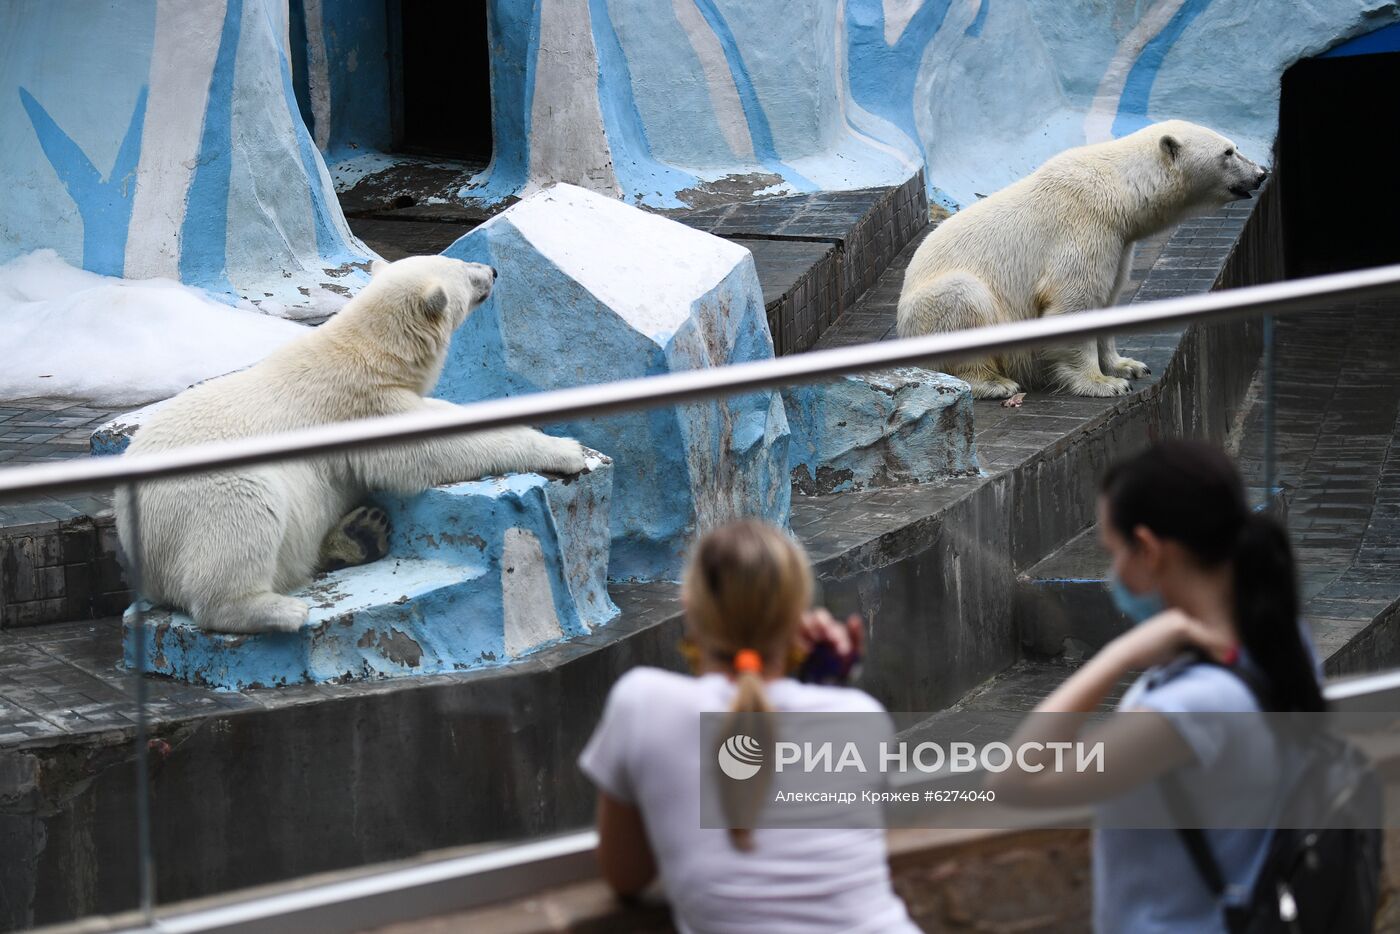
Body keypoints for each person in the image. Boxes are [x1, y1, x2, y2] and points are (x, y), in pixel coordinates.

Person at [992, 440, 1326, 933]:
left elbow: (1014, 780)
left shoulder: (1192, 706)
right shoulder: (1280, 638)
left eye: (1114, 553)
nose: (1112, 576)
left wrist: (1116, 657)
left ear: (1148, 550)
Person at [578, 519, 919, 933]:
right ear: (799, 620)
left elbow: (626, 876)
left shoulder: (642, 703)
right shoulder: (863, 718)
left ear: (690, 604)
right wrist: (823, 682)